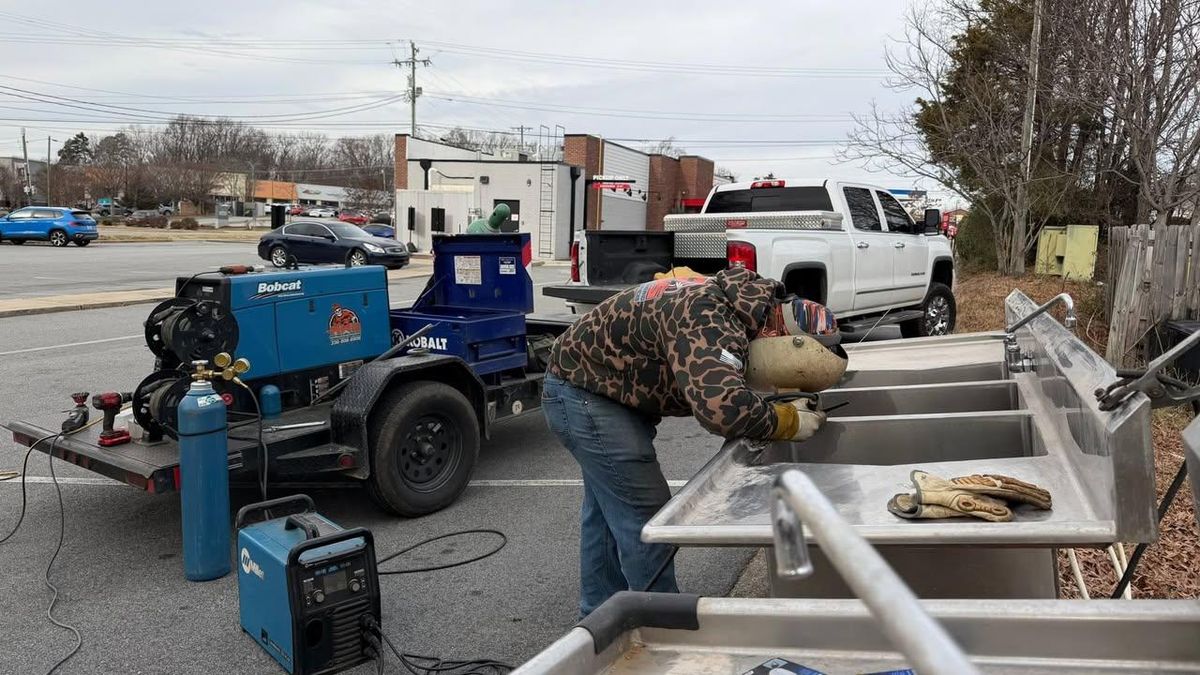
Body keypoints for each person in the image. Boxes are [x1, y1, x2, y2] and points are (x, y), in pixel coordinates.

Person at [542, 266, 847, 616]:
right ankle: (664, 626)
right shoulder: (710, 317)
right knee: (646, 515)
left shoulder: (742, 303)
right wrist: (786, 421)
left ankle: (599, 617)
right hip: (584, 394)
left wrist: (773, 403)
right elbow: (721, 408)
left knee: (608, 514)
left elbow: (721, 374)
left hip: (598, 387)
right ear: (780, 332)